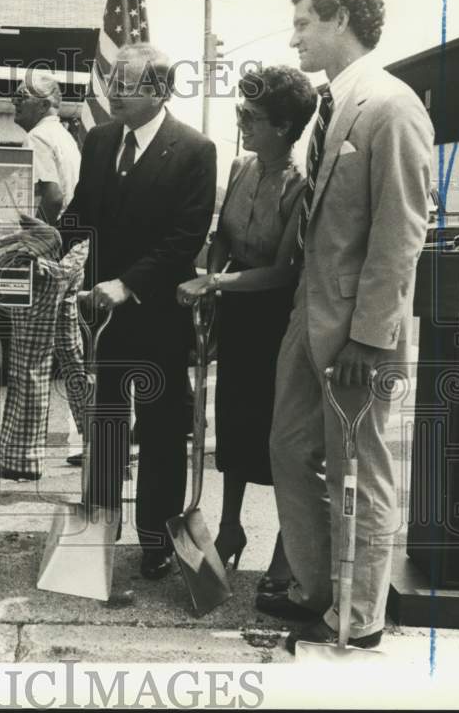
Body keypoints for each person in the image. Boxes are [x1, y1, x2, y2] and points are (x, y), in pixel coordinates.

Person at [257, 0, 432, 654]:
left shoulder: (391, 107)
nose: (294, 35)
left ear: (340, 20)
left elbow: (401, 231)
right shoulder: (332, 110)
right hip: (311, 316)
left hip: (358, 332)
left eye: (303, 22)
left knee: (359, 467)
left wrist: (369, 336)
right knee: (288, 450)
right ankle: (317, 590)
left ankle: (357, 620)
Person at [59, 43, 217, 579]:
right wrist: (47, 242)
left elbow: (184, 238)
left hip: (158, 317)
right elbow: (82, 212)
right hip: (103, 319)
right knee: (104, 429)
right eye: (112, 83)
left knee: (161, 434)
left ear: (160, 91)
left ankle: (157, 541)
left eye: (125, 86)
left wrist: (128, 285)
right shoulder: (100, 141)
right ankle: (98, 535)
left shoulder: (195, 149)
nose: (113, 95)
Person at [176, 65, 317, 596]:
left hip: (277, 321)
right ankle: (230, 527)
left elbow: (283, 271)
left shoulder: (304, 183)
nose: (241, 123)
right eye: (239, 112)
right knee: (233, 427)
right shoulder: (240, 166)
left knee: (278, 436)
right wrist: (212, 280)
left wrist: (215, 281)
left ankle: (287, 547)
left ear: (283, 126)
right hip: (234, 314)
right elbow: (223, 237)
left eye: (251, 116)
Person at [0, 72, 89, 481]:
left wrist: (38, 243)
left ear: (47, 104)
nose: (15, 100)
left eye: (23, 96)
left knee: (30, 358)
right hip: (73, 256)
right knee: (71, 353)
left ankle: (21, 458)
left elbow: (52, 195)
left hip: (48, 257)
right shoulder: (65, 137)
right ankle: (103, 441)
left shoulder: (38, 139)